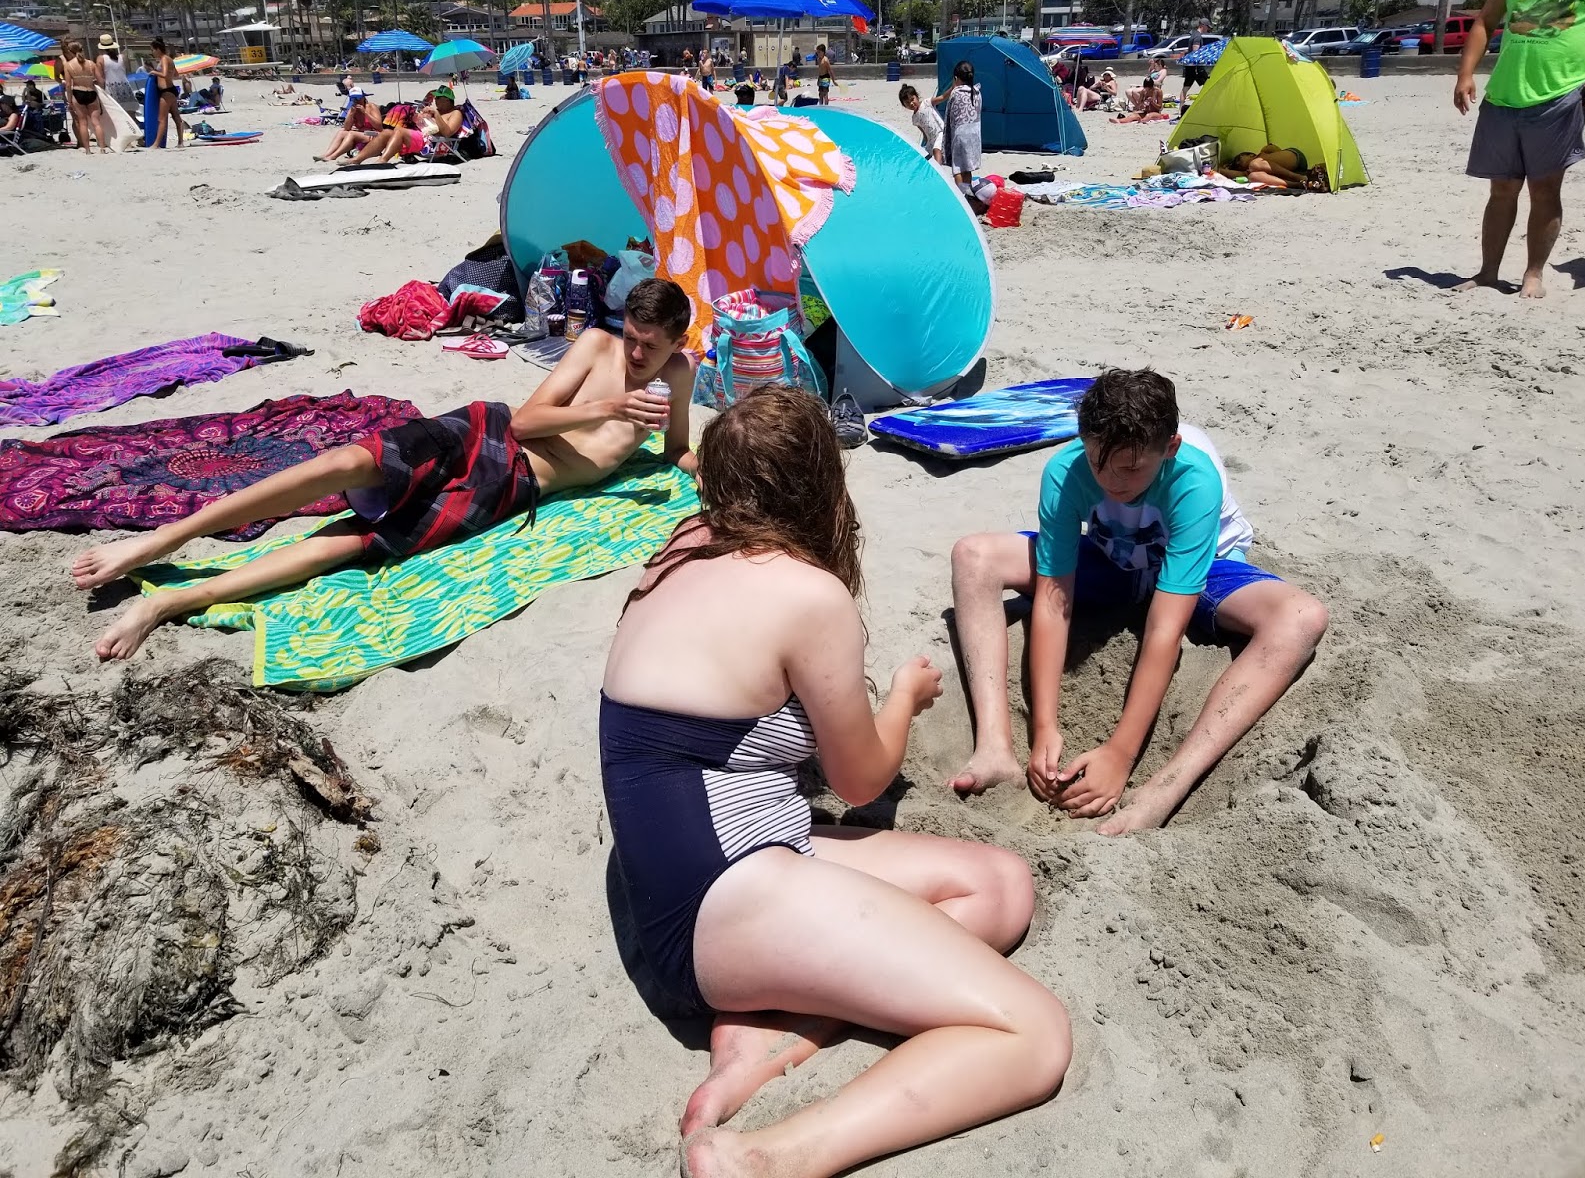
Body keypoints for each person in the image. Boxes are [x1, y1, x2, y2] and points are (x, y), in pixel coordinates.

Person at [600, 384, 1072, 1177]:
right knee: (1034, 1033)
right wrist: (904, 699)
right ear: (822, 481)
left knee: (999, 887)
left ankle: (768, 1035)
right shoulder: (807, 594)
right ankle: (765, 1159)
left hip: (693, 868)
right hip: (717, 901)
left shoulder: (686, 543)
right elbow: (859, 781)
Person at [71, 279, 700, 661]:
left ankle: (172, 601)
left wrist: (702, 469)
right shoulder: (595, 346)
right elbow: (527, 421)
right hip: (484, 434)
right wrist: (607, 406)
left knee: (352, 543)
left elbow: (675, 450)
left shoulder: (678, 377)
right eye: (632, 337)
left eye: (651, 345)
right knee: (348, 462)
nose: (637, 353)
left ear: (678, 344)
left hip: (515, 486)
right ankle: (162, 540)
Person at [947, 368, 1328, 834]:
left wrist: (1121, 753)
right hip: (1115, 559)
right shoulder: (1067, 470)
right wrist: (1043, 726)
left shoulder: (1194, 479)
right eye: (1097, 463)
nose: (1111, 481)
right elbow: (1052, 598)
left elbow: (1165, 629)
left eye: (1130, 469)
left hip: (1200, 568)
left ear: (1169, 449)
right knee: (973, 556)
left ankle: (1167, 787)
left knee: (1302, 617)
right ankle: (994, 747)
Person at [1452, 0, 1585, 298]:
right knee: (1502, 189)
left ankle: (1533, 274)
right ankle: (1488, 272)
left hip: (1562, 93)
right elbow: (1485, 20)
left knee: (1544, 189)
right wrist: (1465, 73)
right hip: (1504, 94)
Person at [933, 59, 982, 192]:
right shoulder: (977, 92)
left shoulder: (956, 92)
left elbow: (950, 115)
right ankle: (968, 192)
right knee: (968, 167)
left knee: (958, 168)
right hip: (975, 134)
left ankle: (962, 194)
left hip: (960, 135)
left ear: (956, 78)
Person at [61, 41, 109, 155]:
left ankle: (87, 150)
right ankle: (102, 148)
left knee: (83, 123)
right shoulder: (91, 63)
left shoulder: (68, 65)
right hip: (91, 92)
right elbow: (101, 81)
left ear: (70, 51)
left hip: (78, 93)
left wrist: (69, 100)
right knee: (96, 122)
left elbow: (68, 85)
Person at [1218, 144, 1326, 190]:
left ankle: (1298, 177)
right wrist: (1216, 169)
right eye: (1236, 166)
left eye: (1239, 159)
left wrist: (1268, 155)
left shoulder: (1261, 155)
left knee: (1255, 164)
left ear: (1250, 154)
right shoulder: (1249, 171)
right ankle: (1298, 184)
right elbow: (1236, 174)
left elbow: (1273, 148)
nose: (1238, 164)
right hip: (1287, 173)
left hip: (1294, 159)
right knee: (1253, 177)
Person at [316, 87, 381, 162]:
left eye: (358, 98)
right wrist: (351, 114)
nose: (356, 100)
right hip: (362, 133)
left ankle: (334, 156)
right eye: (353, 98)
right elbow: (346, 128)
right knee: (341, 132)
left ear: (363, 97)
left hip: (374, 134)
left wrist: (365, 113)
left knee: (351, 134)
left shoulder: (371, 107)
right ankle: (326, 154)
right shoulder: (353, 109)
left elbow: (379, 127)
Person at [148, 37, 184, 148]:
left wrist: (154, 72)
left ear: (158, 49)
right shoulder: (169, 59)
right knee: (176, 117)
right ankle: (180, 143)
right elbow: (176, 74)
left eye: (153, 50)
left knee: (161, 119)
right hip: (171, 90)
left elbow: (164, 74)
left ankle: (156, 144)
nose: (152, 52)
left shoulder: (164, 59)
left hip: (166, 91)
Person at [899, 82, 944, 163]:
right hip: (931, 140)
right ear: (904, 106)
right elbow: (924, 133)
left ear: (917, 96)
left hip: (941, 132)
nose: (911, 103)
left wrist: (953, 88)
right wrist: (926, 143)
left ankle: (938, 169)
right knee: (924, 158)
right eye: (907, 103)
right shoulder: (914, 119)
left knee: (936, 150)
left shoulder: (927, 103)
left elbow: (942, 97)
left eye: (912, 99)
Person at [96, 34, 135, 114]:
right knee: (129, 116)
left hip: (111, 90)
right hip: (126, 89)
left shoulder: (100, 58)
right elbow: (126, 72)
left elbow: (100, 79)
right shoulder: (122, 57)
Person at [1178, 20, 1211, 113]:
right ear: (1202, 25)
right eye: (1207, 27)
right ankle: (1206, 106)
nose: (1208, 29)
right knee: (1209, 85)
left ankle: (1181, 109)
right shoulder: (1197, 36)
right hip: (1196, 66)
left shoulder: (1193, 35)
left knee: (1185, 88)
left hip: (1190, 66)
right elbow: (1195, 51)